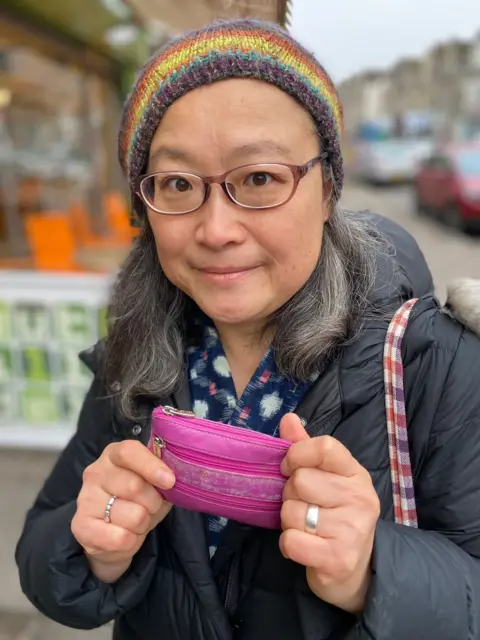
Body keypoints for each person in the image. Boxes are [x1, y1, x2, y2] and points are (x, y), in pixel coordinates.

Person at [15, 18, 480, 640]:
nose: (216, 230)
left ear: (328, 188)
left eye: (259, 178)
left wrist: (373, 569)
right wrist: (98, 549)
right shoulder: (140, 354)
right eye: (178, 185)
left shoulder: (432, 361)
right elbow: (43, 556)